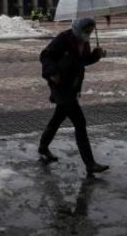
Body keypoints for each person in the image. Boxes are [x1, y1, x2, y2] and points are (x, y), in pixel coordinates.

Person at [38, 17, 110, 176]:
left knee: (58, 118)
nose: (88, 34)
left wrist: (96, 56)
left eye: (90, 32)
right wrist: (52, 73)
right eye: (86, 31)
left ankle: (43, 147)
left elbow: (82, 62)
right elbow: (45, 56)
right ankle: (90, 163)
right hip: (59, 85)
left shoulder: (84, 42)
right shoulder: (63, 38)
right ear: (78, 29)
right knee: (80, 122)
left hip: (71, 85)